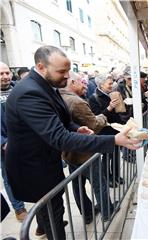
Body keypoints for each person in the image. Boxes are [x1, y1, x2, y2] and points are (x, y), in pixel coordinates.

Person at [5, 45, 140, 240]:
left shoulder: (46, 85)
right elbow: (59, 137)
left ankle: (45, 227)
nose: (68, 76)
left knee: (51, 210)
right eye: (62, 71)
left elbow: (62, 120)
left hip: (46, 161)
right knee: (53, 214)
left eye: (68, 70)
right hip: (33, 167)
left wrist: (76, 128)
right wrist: (114, 140)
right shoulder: (29, 93)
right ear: (41, 67)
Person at [60, 71, 113, 223]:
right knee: (98, 183)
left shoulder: (59, 97)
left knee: (78, 186)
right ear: (72, 83)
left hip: (69, 152)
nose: (86, 85)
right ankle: (107, 212)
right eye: (82, 82)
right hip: (85, 153)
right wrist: (103, 116)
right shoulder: (76, 102)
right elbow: (94, 125)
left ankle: (88, 215)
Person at [0, 62, 28, 222]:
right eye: (1, 74)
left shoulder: (19, 88)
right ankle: (19, 208)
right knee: (9, 175)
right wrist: (3, 142)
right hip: (5, 146)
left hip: (23, 140)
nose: (5, 77)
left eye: (6, 73)